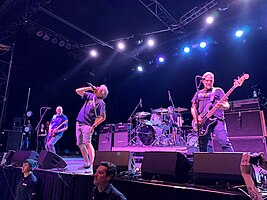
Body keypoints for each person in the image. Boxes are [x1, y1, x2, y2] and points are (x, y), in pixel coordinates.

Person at [191, 72, 233, 152]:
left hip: (217, 120)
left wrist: (222, 106)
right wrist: (196, 119)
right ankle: (204, 163)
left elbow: (227, 105)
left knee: (224, 142)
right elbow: (193, 107)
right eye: (207, 80)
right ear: (203, 81)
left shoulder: (218, 91)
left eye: (211, 81)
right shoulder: (198, 93)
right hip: (203, 122)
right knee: (202, 146)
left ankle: (233, 162)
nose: (209, 82)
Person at [76, 84, 108, 170]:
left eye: (100, 89)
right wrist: (90, 88)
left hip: (87, 124)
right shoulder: (90, 96)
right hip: (79, 122)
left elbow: (103, 117)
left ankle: (93, 165)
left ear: (102, 92)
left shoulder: (101, 103)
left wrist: (94, 125)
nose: (97, 89)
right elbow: (78, 91)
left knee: (87, 143)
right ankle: (86, 163)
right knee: (80, 144)